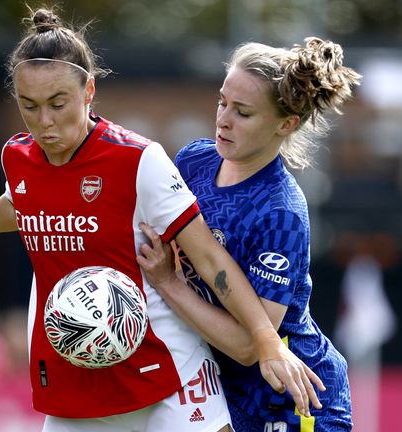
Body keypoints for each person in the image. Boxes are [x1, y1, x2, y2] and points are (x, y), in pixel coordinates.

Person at [0, 5, 322, 431]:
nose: (44, 121)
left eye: (58, 103)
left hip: (167, 369)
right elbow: (23, 203)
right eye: (29, 105)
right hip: (73, 373)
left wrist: (267, 343)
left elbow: (209, 258)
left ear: (88, 91)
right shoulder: (18, 157)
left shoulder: (138, 160)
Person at [136, 38, 361, 431]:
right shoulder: (194, 161)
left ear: (286, 124)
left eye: (242, 112)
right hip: (221, 391)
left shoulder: (281, 213)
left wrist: (169, 284)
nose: (223, 119)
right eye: (222, 102)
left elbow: (246, 346)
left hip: (294, 402)